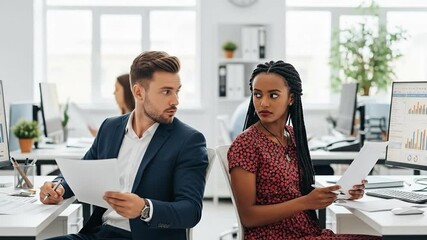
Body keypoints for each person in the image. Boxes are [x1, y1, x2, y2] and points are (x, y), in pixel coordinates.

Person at [40, 51, 209, 240]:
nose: (175, 101)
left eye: (177, 91)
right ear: (138, 92)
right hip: (100, 233)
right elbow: (81, 174)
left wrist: (144, 208)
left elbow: (190, 211)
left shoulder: (188, 140)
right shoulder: (110, 128)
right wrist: (58, 187)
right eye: (166, 91)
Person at [227, 60, 380, 240]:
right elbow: (248, 217)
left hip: (308, 233)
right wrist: (306, 202)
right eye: (257, 95)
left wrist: (342, 193)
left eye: (273, 95)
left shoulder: (292, 136)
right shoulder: (246, 144)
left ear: (291, 98)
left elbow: (299, 194)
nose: (263, 103)